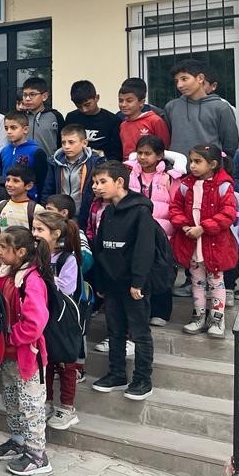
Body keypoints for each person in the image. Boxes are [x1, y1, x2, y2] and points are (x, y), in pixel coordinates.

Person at [90, 161, 156, 401]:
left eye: (102, 182)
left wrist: (138, 282)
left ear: (120, 182)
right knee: (115, 330)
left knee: (139, 333)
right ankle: (117, 373)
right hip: (112, 282)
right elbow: (101, 248)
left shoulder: (140, 211)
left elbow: (144, 249)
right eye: (95, 183)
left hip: (134, 285)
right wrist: (100, 283)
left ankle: (142, 379)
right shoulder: (107, 211)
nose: (97, 187)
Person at [0, 227, 52, 476]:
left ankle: (37, 454)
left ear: (21, 252)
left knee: (31, 405)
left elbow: (35, 322)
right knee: (12, 400)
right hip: (9, 354)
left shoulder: (32, 280)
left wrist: (10, 336)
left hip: (27, 355)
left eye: (5, 249)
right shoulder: (8, 274)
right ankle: (17, 441)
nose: (0, 253)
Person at [169, 143, 239, 338]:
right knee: (196, 281)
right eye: (191, 161)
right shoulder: (185, 185)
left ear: (213, 164)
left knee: (216, 281)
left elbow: (228, 213)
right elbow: (174, 207)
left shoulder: (224, 186)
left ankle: (217, 317)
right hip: (192, 242)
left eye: (198, 161)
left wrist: (204, 227)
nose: (192, 165)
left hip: (214, 243)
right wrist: (183, 226)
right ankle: (198, 315)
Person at [126, 135, 185, 326]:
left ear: (159, 155)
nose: (143, 158)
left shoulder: (169, 176)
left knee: (161, 268)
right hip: (135, 229)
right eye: (140, 153)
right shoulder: (129, 173)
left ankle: (161, 311)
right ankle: (143, 308)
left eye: (148, 154)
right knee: (139, 268)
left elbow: (176, 203)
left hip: (162, 231)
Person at [33, 211, 83, 430]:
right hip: (41, 315)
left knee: (65, 364)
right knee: (47, 362)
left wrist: (46, 277)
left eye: (40, 230)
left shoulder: (66, 259)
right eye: (33, 229)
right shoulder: (35, 256)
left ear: (55, 233)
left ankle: (67, 408)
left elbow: (68, 288)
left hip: (61, 318)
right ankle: (47, 403)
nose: (35, 234)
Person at [165, 58, 239, 159]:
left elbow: (230, 145)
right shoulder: (171, 107)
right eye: (176, 81)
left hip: (211, 171)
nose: (179, 85)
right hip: (178, 171)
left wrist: (220, 165)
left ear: (200, 78)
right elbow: (166, 138)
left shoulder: (221, 107)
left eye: (184, 79)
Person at [40, 124, 102, 228]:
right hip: (58, 215)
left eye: (71, 142)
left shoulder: (95, 163)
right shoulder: (55, 162)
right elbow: (48, 189)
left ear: (84, 143)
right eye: (63, 142)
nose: (66, 146)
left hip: (84, 215)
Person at [0, 111, 48, 200]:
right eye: (6, 128)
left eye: (13, 128)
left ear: (25, 129)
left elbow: (42, 180)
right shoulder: (4, 151)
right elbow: (1, 175)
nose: (9, 132)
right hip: (6, 199)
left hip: (29, 200)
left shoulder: (36, 152)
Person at [65, 81, 122, 160]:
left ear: (97, 98)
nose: (84, 109)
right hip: (75, 165)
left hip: (103, 166)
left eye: (87, 104)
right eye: (79, 106)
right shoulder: (71, 118)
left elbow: (116, 153)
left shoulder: (112, 120)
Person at [117, 78, 170, 158]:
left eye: (129, 101)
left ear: (141, 102)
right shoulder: (123, 125)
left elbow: (165, 147)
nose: (123, 104)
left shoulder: (155, 120)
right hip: (128, 168)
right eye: (121, 101)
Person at [0, 165, 44, 236]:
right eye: (8, 180)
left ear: (29, 186)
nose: (9, 184)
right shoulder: (1, 206)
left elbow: (40, 234)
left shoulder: (36, 209)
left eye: (15, 181)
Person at [21, 77, 63, 157]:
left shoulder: (55, 116)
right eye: (25, 95)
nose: (27, 99)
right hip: (24, 165)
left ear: (44, 96)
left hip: (50, 165)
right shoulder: (20, 117)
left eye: (32, 95)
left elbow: (62, 142)